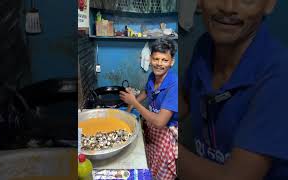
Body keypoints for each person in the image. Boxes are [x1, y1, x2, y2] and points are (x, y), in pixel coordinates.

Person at [179, 0, 288, 179]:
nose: (228, 7)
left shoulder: (280, 76)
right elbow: (184, 97)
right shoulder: (206, 46)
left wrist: (164, 148)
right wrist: (146, 116)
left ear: (269, 4)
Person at [120, 37, 178, 180]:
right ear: (150, 59)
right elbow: (146, 92)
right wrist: (128, 110)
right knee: (151, 165)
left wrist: (134, 102)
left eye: (164, 60)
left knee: (162, 173)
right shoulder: (153, 76)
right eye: (156, 59)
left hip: (166, 135)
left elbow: (160, 122)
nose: (159, 64)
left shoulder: (174, 85)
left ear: (172, 62)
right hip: (153, 128)